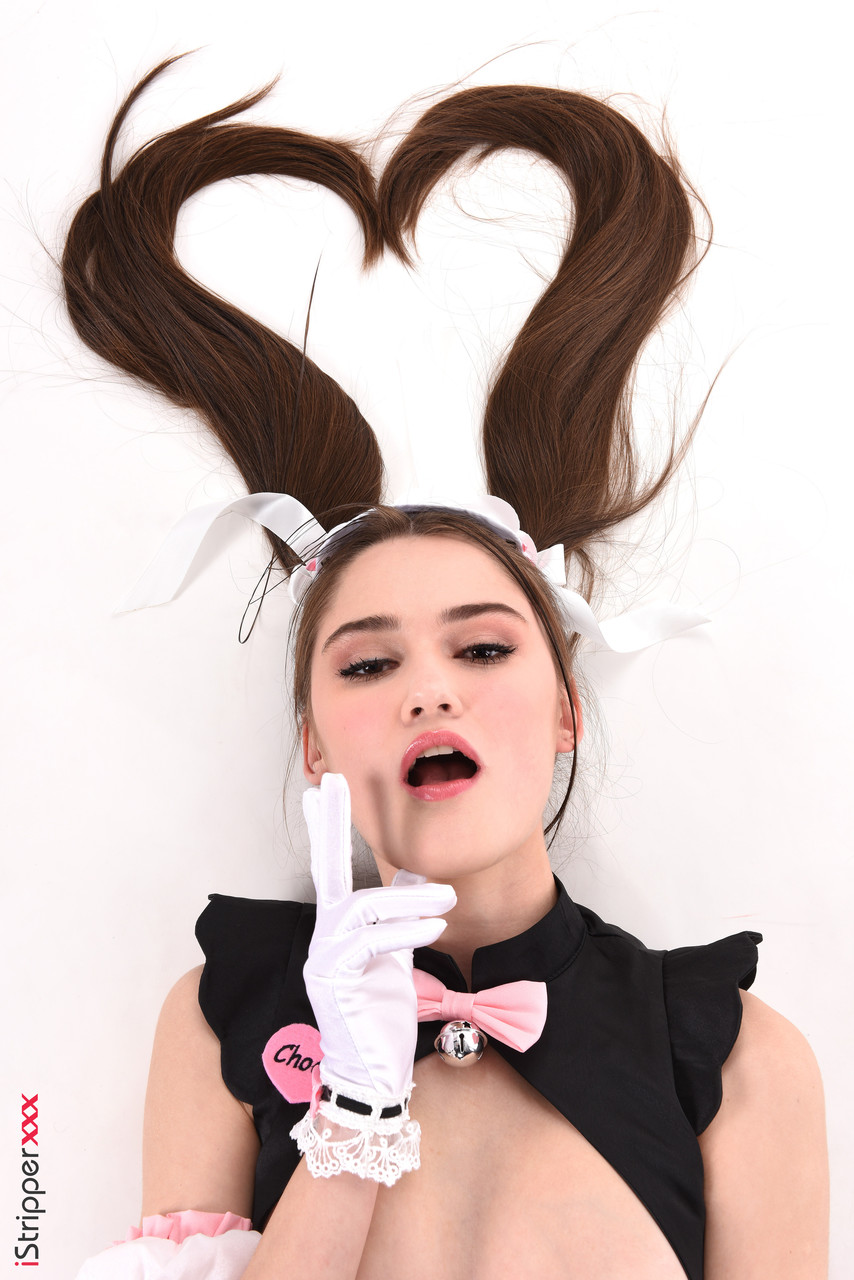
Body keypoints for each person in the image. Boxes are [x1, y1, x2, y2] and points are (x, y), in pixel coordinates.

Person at [69, 57, 828, 1280]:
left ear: (565, 706)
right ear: (314, 742)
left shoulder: (728, 1054)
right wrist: (351, 1117)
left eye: (480, 646)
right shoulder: (228, 1007)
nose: (430, 688)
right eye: (368, 662)